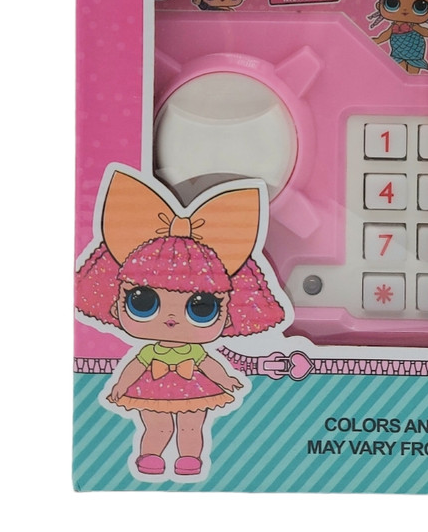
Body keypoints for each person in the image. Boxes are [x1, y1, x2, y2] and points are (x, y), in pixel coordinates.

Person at [75, 171, 284, 477]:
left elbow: (209, 365)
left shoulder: (193, 352)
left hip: (194, 387)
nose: (171, 319)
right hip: (153, 389)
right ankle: (150, 456)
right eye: (143, 302)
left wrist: (226, 380)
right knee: (157, 426)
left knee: (191, 426)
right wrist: (119, 385)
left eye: (201, 307)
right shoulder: (150, 352)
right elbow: (134, 367)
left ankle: (190, 459)